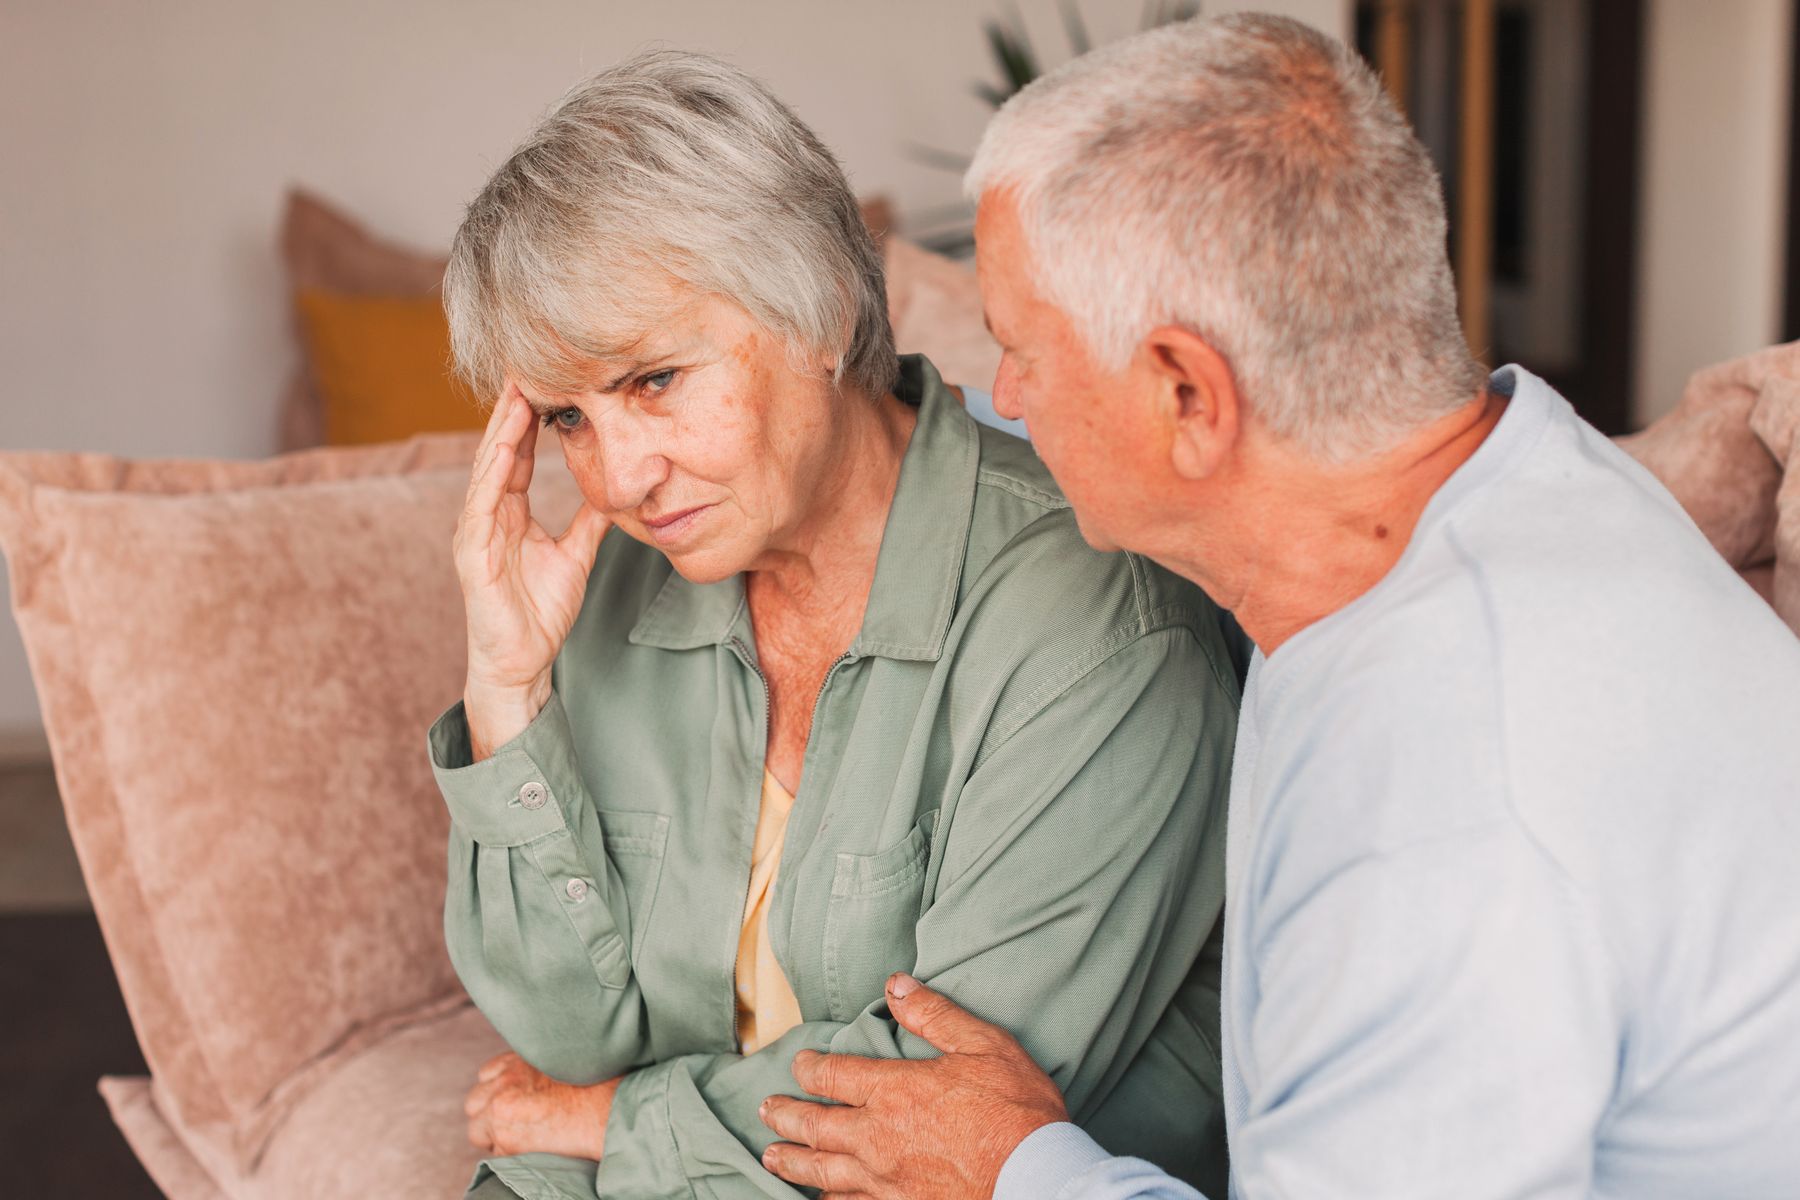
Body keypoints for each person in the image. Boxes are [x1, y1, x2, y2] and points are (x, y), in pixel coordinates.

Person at [757, 14, 1800, 1199]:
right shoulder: (1523, 469)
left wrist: (1010, 1172)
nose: (1006, 393)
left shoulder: (1449, 808)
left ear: (1190, 395)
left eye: (1020, 349)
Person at [426, 49, 1239, 1200]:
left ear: (821, 308)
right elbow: (565, 1034)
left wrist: (614, 1124)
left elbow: (952, 1116)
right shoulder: (622, 581)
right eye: (568, 415)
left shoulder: (1094, 611)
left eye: (654, 380)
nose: (618, 477)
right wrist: (506, 691)